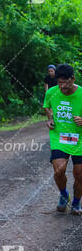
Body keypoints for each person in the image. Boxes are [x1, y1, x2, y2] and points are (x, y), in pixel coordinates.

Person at [43, 63, 82, 215]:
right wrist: (50, 119)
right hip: (60, 138)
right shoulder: (52, 92)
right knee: (59, 171)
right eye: (59, 82)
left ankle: (77, 202)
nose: (62, 86)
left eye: (65, 82)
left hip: (80, 140)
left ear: (73, 79)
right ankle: (64, 195)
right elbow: (47, 106)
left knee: (79, 174)